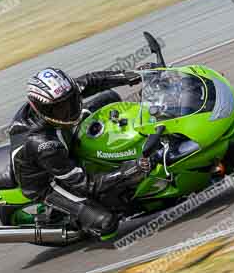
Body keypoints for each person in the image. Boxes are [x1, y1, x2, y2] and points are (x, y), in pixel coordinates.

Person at [8, 67, 153, 240]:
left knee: (110, 97)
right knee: (106, 223)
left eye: (71, 102)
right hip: (47, 182)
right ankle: (77, 223)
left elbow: (92, 81)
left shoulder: (58, 97)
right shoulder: (44, 144)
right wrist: (125, 172)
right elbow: (85, 184)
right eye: (61, 109)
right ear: (42, 109)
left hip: (61, 143)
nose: (69, 110)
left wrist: (130, 75)